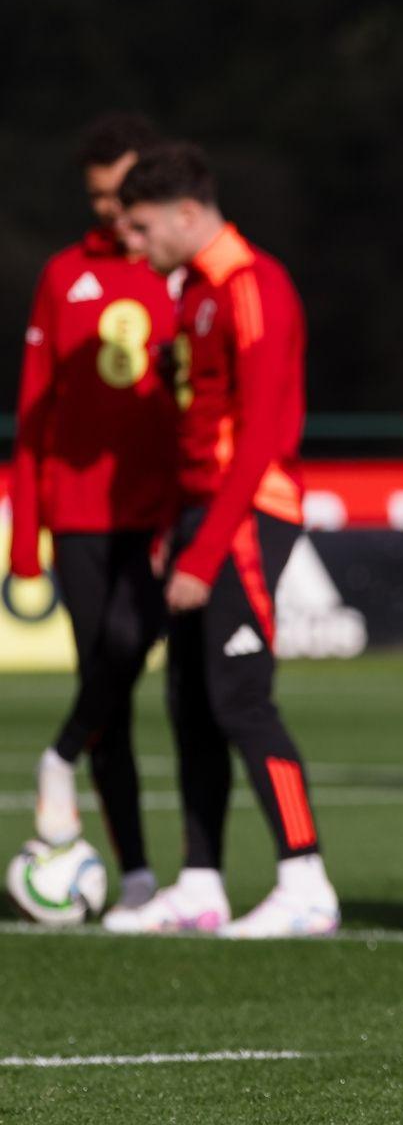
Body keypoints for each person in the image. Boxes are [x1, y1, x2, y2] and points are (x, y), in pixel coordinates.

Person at [103, 142, 341, 938]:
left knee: (242, 697)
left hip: (250, 516)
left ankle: (305, 879)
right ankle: (201, 883)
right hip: (205, 516)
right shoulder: (194, 293)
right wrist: (181, 529)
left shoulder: (252, 286)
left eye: (140, 227)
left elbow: (265, 432)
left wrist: (207, 551)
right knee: (190, 704)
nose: (134, 244)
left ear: (184, 212)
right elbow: (197, 431)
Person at [11, 113, 178, 918]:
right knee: (106, 686)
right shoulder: (62, 274)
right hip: (80, 517)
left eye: (123, 193)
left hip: (162, 514)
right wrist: (27, 538)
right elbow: (35, 408)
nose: (112, 211)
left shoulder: (181, 270)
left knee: (139, 658)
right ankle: (139, 873)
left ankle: (58, 757)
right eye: (99, 196)